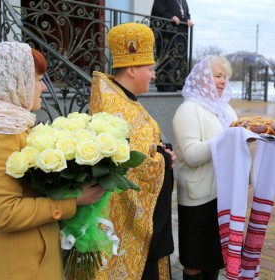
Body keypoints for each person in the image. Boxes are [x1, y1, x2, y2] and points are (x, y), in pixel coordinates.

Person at [0, 42, 104, 279]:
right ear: (15, 81)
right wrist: (72, 201)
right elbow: (2, 212)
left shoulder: (10, 123)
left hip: (28, 259)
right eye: (38, 79)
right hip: (13, 267)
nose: (43, 87)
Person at [89, 22, 176, 279]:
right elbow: (133, 167)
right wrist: (161, 158)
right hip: (123, 226)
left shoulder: (121, 97)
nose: (153, 75)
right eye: (150, 69)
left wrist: (160, 151)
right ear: (131, 69)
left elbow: (141, 148)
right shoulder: (117, 106)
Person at [172, 55, 237, 280]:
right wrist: (227, 139)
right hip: (198, 197)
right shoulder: (188, 110)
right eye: (217, 76)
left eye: (225, 77)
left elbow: (233, 143)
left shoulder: (225, 110)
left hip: (223, 196)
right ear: (202, 79)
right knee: (195, 260)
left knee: (215, 258)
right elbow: (190, 155)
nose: (222, 81)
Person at [151, 0, 193, 92]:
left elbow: (186, 13)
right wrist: (170, 17)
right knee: (168, 59)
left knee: (180, 59)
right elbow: (158, 11)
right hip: (167, 36)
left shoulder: (183, 1)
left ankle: (179, 83)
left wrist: (188, 19)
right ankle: (166, 85)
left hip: (181, 35)